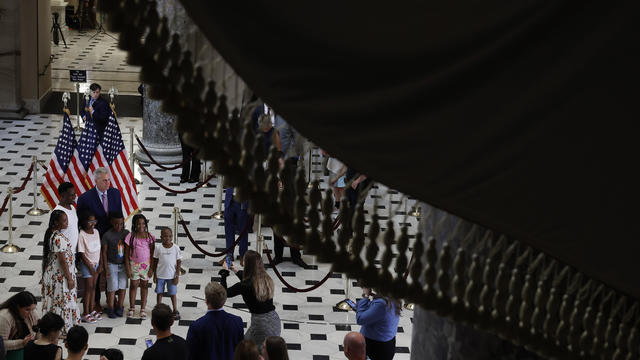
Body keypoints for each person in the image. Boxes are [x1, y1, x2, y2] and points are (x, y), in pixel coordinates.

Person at [77, 167, 122, 313]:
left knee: (112, 268)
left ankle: (112, 297)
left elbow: (119, 216)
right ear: (95, 181)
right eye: (104, 180)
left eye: (109, 180)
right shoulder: (85, 198)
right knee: (96, 271)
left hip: (112, 239)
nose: (107, 183)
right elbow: (81, 222)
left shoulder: (115, 193)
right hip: (94, 241)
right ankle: (95, 300)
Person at [221, 250, 281, 351]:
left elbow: (223, 294)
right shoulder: (266, 278)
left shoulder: (244, 286)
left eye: (244, 259)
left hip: (260, 325)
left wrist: (224, 273)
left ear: (246, 264)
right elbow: (250, 282)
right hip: (275, 321)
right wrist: (236, 271)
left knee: (246, 351)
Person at [41, 210, 80, 335]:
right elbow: (63, 260)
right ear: (56, 222)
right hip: (62, 275)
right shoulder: (58, 238)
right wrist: (69, 278)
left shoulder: (53, 234)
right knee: (64, 300)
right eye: (64, 220)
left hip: (56, 273)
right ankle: (63, 327)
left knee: (58, 300)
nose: (67, 222)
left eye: (67, 219)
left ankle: (56, 326)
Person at [186, 282, 244, 360]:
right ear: (224, 301)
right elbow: (241, 350)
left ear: (206, 301)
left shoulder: (196, 326)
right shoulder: (237, 322)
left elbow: (190, 355)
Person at [356, 288, 401, 360]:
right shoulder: (393, 297)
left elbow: (360, 319)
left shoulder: (382, 303)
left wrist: (365, 295)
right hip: (387, 344)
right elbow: (376, 314)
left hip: (376, 346)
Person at [125, 214, 155, 319]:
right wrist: (128, 268)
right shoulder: (131, 236)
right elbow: (126, 253)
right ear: (134, 225)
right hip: (134, 264)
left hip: (146, 265)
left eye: (143, 223)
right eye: (138, 224)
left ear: (146, 224)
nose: (141, 226)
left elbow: (152, 253)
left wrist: (151, 268)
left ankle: (143, 308)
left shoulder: (150, 237)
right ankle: (132, 307)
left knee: (144, 286)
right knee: (133, 285)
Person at [101, 212, 130, 319]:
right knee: (112, 286)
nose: (119, 226)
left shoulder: (126, 233)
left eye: (121, 224)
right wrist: (105, 268)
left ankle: (120, 307)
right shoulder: (107, 235)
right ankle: (110, 307)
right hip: (111, 264)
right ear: (111, 223)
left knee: (123, 285)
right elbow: (104, 252)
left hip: (123, 264)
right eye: (116, 224)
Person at [77, 211, 102, 323]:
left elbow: (99, 249)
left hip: (96, 265)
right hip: (87, 266)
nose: (92, 223)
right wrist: (90, 267)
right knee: (88, 289)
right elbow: (82, 254)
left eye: (94, 221)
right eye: (90, 221)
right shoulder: (82, 234)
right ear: (84, 222)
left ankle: (91, 309)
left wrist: (100, 264)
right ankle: (85, 313)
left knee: (93, 288)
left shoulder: (96, 232)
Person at [151, 228, 181, 320]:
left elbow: (179, 262)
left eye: (169, 236)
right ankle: (158, 309)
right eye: (165, 236)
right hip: (160, 275)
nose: (167, 238)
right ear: (161, 237)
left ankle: (175, 310)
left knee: (172, 293)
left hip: (172, 276)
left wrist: (177, 275)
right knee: (159, 292)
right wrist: (155, 275)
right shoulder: (158, 248)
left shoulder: (176, 248)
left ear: (172, 237)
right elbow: (155, 261)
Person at [0, 291, 38, 359]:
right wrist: (22, 343)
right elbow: (2, 344)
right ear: (17, 307)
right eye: (27, 310)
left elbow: (38, 331)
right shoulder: (4, 317)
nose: (31, 313)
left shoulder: (32, 313)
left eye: (33, 309)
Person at [53, 182, 79, 267]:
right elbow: (54, 235)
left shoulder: (72, 208)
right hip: (63, 255)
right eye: (72, 195)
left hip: (73, 253)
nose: (74, 197)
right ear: (63, 195)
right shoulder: (58, 212)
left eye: (75, 194)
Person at [223, 187, 249, 266]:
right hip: (230, 199)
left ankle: (243, 255)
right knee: (228, 229)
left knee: (243, 230)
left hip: (242, 201)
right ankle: (229, 254)